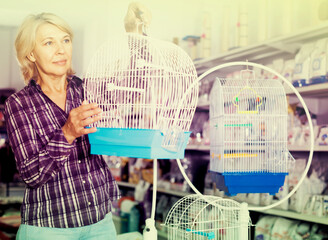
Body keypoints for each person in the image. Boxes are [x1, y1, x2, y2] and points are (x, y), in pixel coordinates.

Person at [4, 13, 120, 240]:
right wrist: (67, 132)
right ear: (31, 53)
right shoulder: (18, 104)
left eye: (65, 40)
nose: (61, 50)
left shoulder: (88, 89)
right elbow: (31, 175)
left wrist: (136, 32)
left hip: (100, 222)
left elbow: (135, 81)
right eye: (49, 43)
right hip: (49, 227)